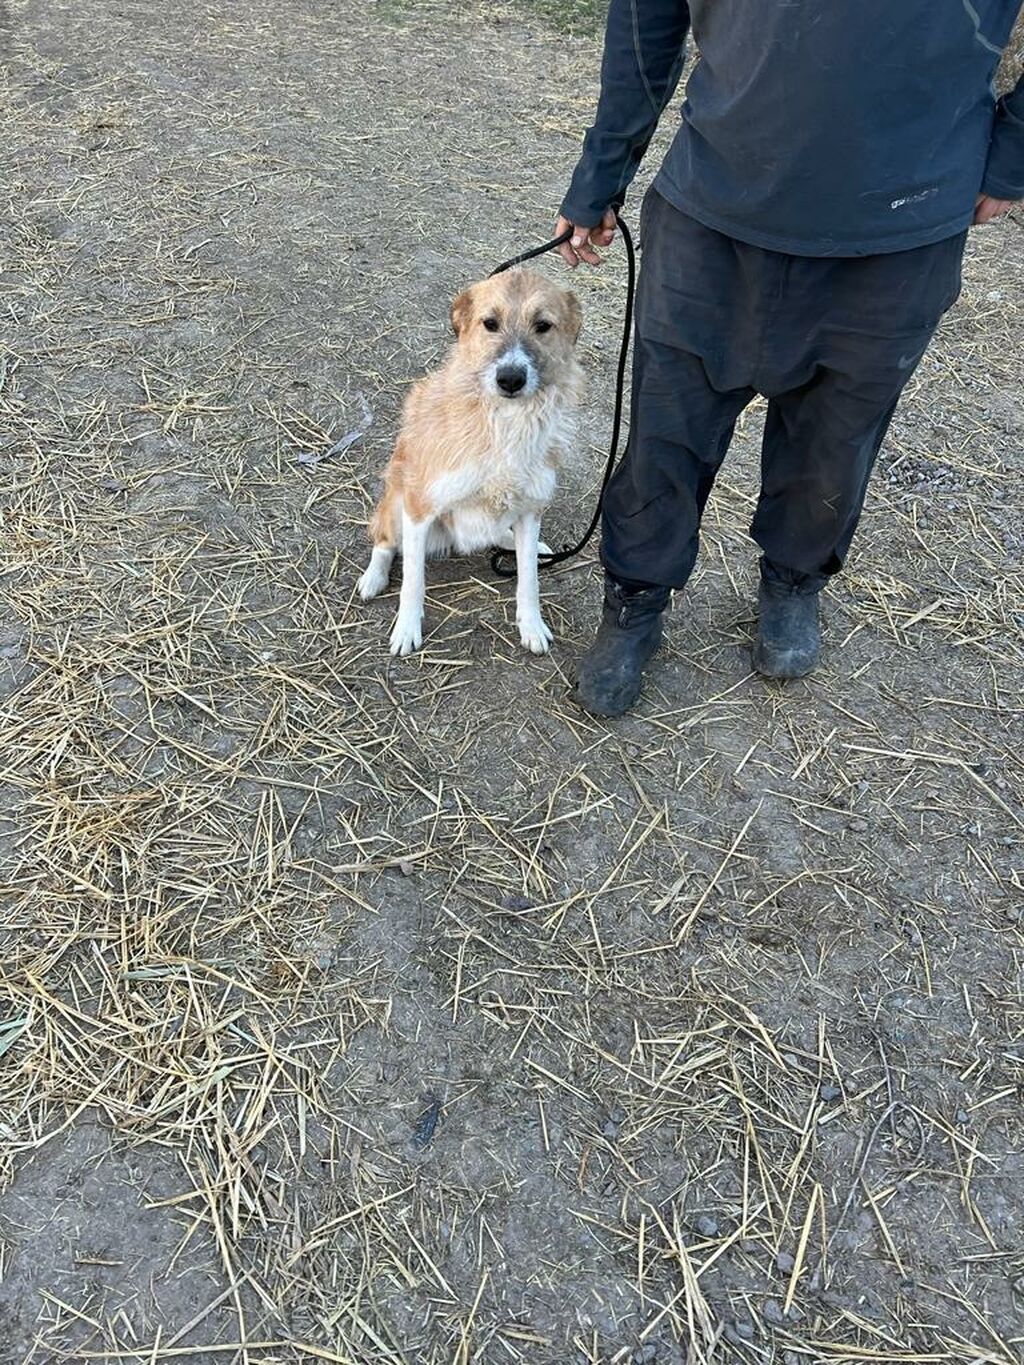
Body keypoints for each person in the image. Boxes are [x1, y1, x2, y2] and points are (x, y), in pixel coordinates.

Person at [557, 1, 1024, 717]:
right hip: (716, 200)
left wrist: (1015, 147)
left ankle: (794, 578)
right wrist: (602, 169)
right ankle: (635, 595)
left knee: (837, 435)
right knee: (666, 425)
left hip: (903, 218)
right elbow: (645, 14)